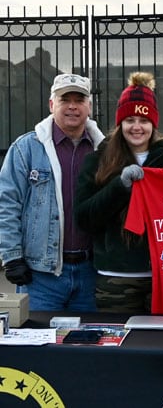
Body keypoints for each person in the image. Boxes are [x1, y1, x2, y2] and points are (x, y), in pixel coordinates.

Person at [74, 71, 163, 313]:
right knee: (121, 348)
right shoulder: (97, 160)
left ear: (154, 124)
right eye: (130, 120)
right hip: (115, 278)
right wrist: (119, 187)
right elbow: (84, 217)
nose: (137, 127)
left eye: (144, 121)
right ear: (120, 123)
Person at [0, 73, 105, 311]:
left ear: (89, 106)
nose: (72, 106)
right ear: (51, 104)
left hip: (91, 274)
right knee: (38, 346)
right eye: (64, 99)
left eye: (79, 100)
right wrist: (12, 256)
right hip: (41, 277)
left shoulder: (105, 151)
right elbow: (7, 204)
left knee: (89, 347)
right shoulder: (26, 149)